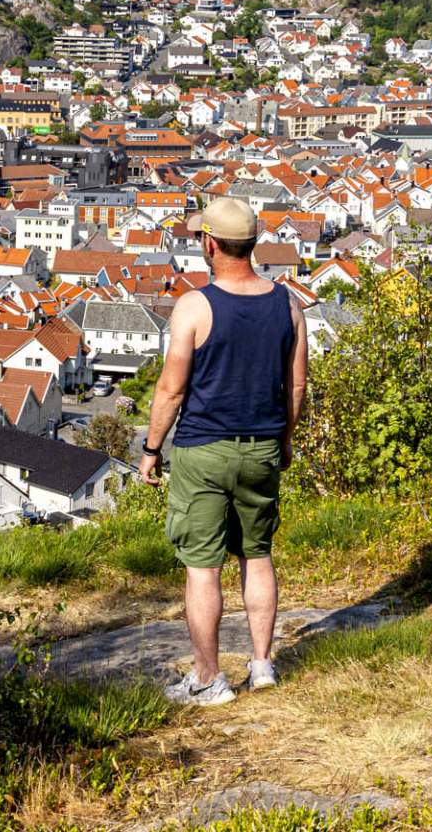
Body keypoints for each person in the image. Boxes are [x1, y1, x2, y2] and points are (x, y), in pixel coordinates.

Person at [137, 196, 307, 706]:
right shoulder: (288, 305)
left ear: (210, 243)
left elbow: (170, 391)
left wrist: (151, 448)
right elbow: (296, 388)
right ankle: (261, 665)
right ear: (252, 243)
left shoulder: (195, 305)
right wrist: (284, 442)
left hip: (203, 448)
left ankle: (209, 679)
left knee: (202, 566)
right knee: (258, 555)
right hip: (262, 447)